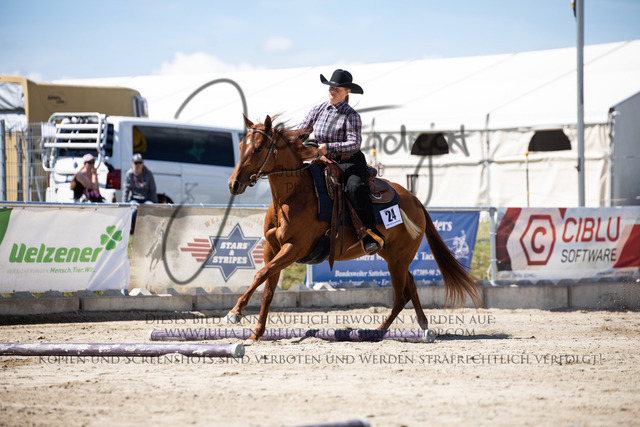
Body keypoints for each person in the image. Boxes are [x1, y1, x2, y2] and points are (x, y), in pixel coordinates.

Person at [298, 69, 383, 254]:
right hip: (323, 160)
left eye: (337, 88)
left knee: (355, 188)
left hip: (349, 161)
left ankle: (369, 233)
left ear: (347, 92)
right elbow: (302, 132)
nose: (332, 90)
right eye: (331, 87)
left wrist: (329, 147)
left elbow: (354, 143)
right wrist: (287, 142)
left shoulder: (351, 115)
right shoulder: (318, 109)